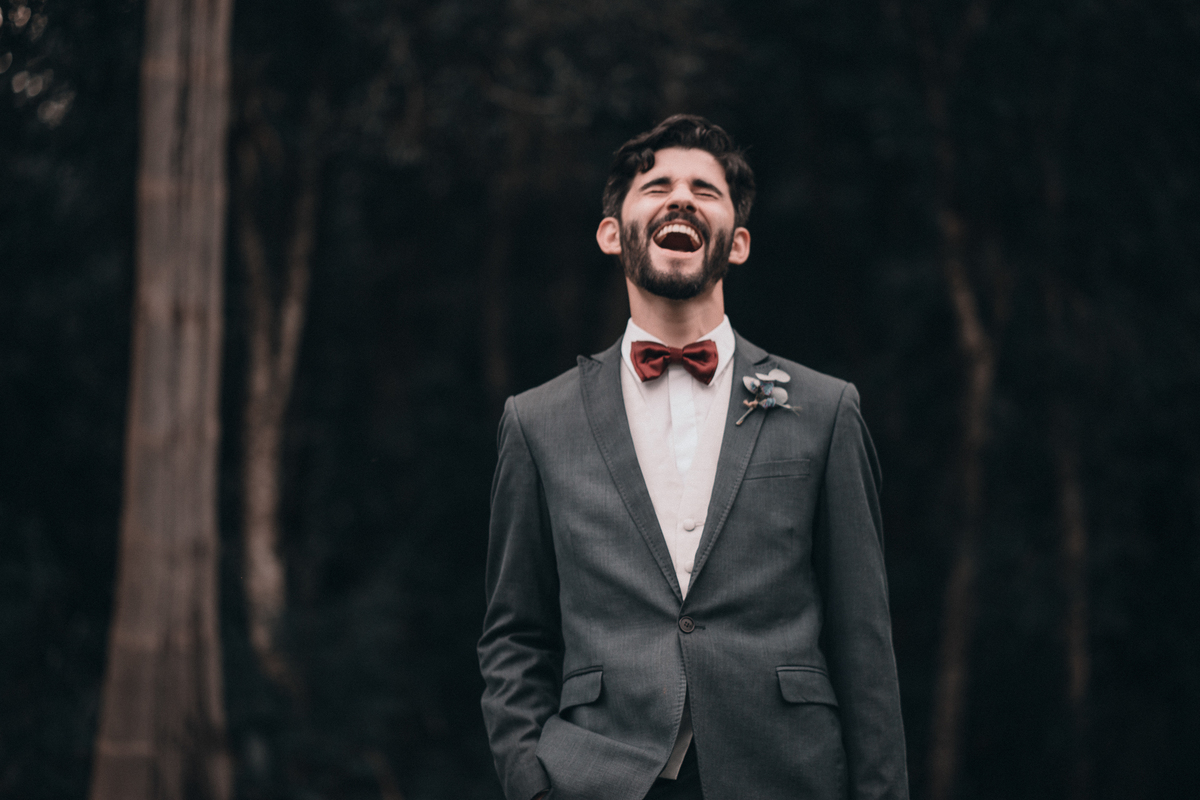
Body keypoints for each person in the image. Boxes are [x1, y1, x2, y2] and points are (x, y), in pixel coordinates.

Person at [478, 114, 908, 800]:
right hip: (599, 779)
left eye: (705, 189)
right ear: (612, 232)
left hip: (785, 776)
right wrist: (532, 783)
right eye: (657, 185)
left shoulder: (825, 411)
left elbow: (865, 643)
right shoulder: (535, 422)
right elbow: (515, 634)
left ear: (737, 244)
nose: (680, 197)